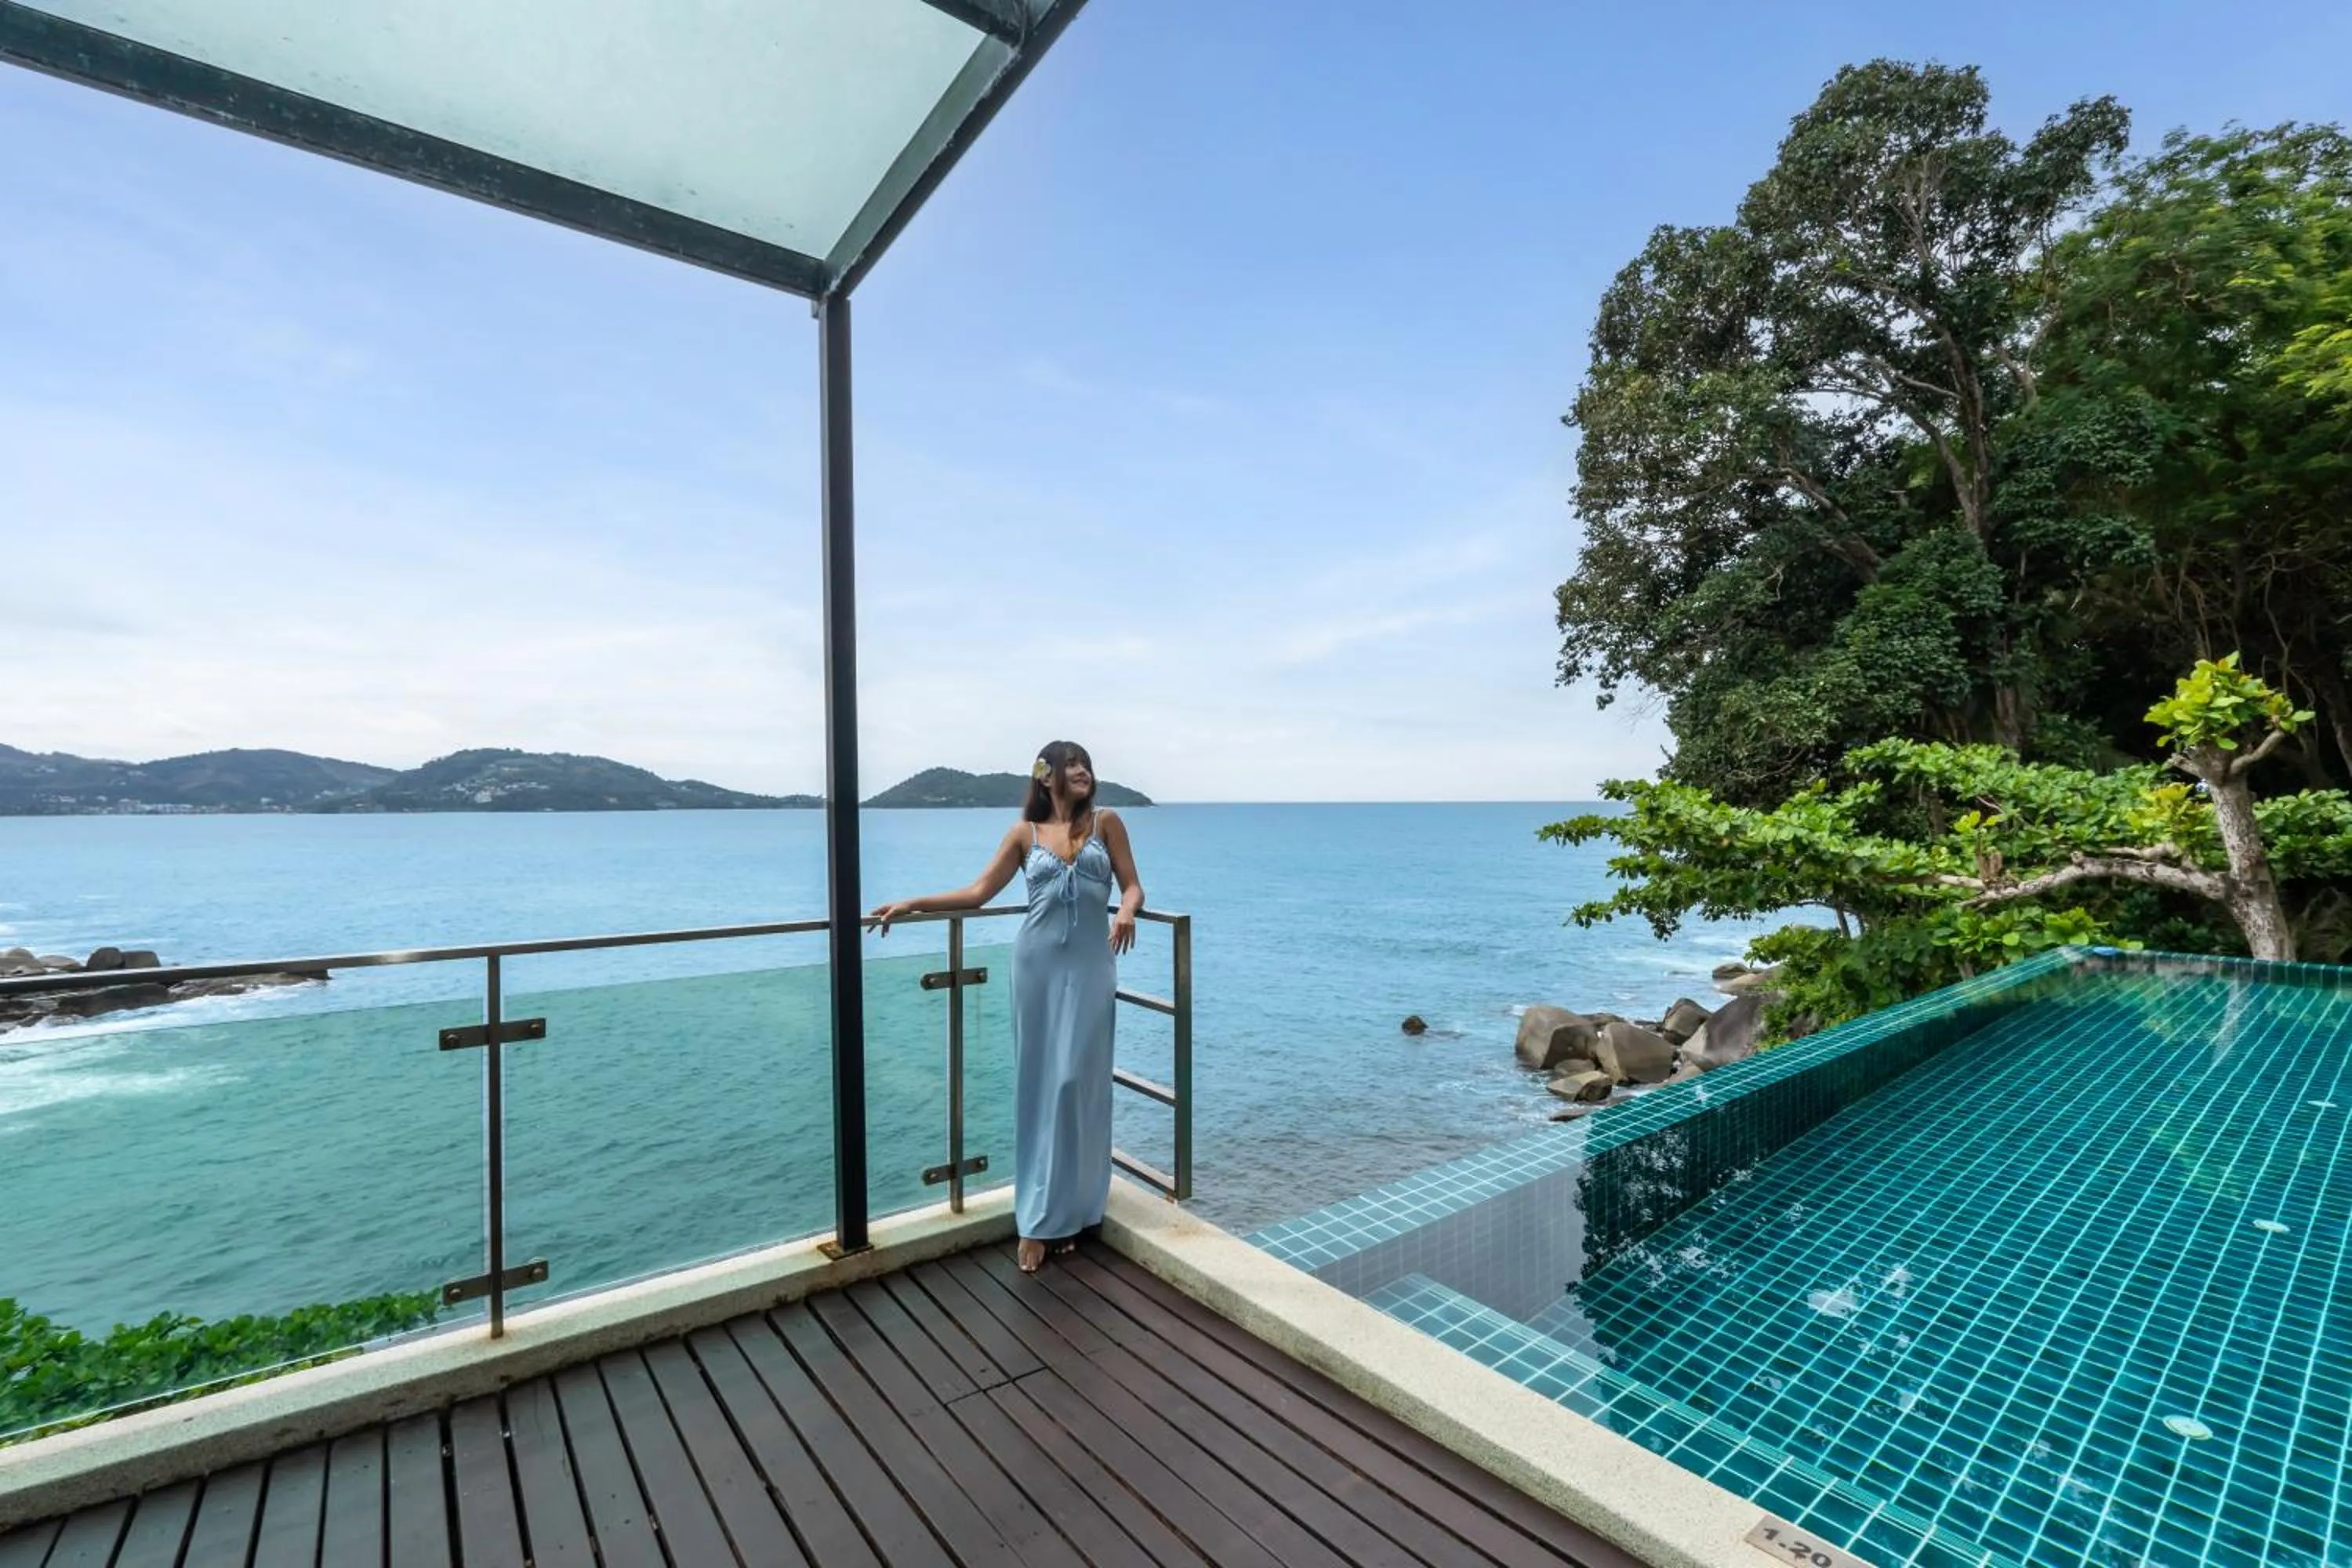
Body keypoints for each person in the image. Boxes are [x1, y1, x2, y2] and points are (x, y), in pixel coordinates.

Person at [867, 741, 1145, 1273]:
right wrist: (912, 903)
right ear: (1047, 778)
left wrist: (1126, 912)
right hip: (1037, 969)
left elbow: (1132, 885)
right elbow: (978, 893)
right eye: (1071, 765)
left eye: (1086, 763)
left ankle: (1080, 1209)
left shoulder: (1107, 824)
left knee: (1080, 1086)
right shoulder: (1025, 834)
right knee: (1044, 1087)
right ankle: (1042, 1221)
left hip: (1092, 969)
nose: (1083, 771)